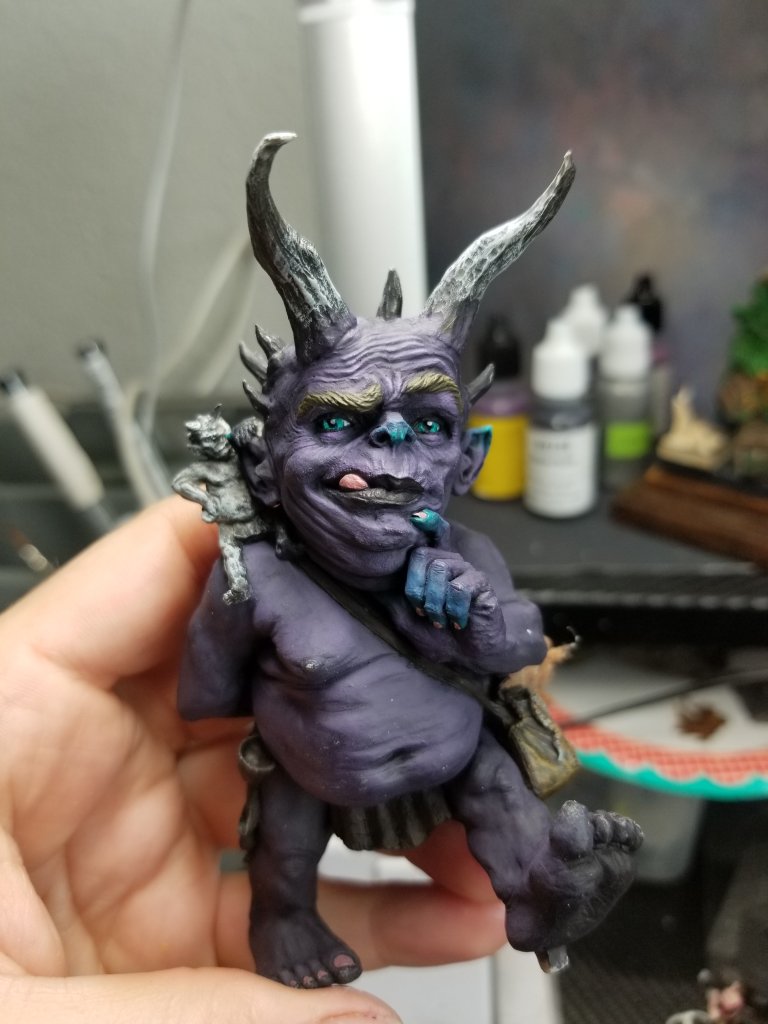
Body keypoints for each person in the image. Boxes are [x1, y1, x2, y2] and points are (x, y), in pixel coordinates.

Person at [0, 497, 506, 1024]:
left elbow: (515, 641)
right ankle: (284, 917)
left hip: (445, 745)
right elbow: (208, 677)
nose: (376, 467)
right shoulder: (256, 566)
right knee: (286, 835)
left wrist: (479, 617)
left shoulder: (463, 553)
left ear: (464, 464)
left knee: (500, 795)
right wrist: (272, 699)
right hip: (305, 755)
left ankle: (539, 870)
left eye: (419, 445)